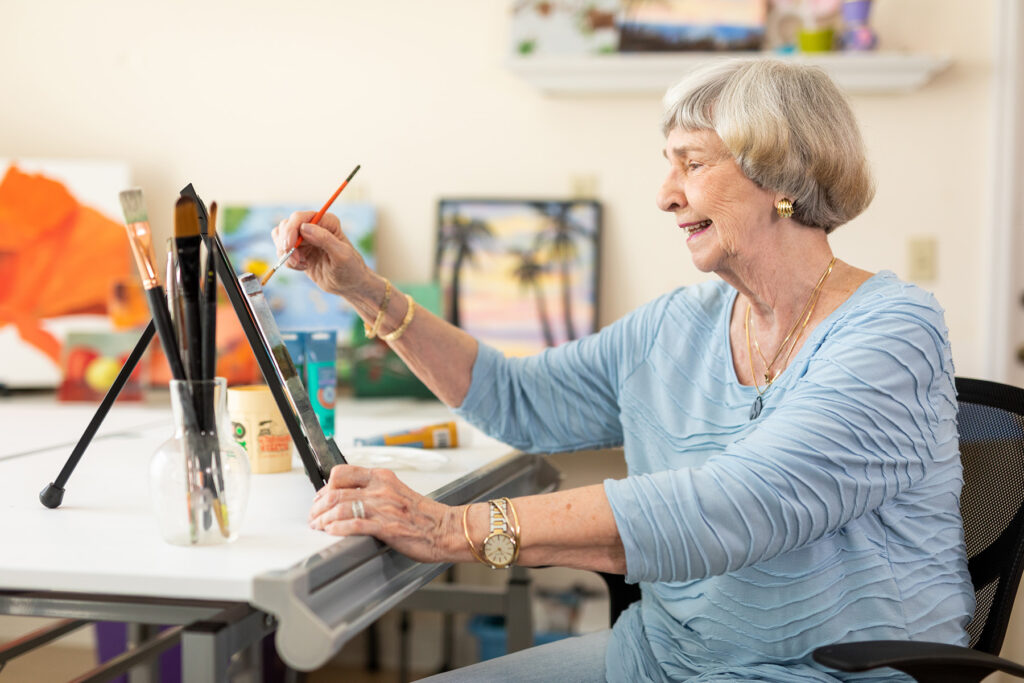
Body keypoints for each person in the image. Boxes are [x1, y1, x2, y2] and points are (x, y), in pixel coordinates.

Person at [272, 58, 973, 682]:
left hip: (826, 672)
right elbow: (518, 399)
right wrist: (363, 290)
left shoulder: (893, 332)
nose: (665, 193)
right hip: (663, 660)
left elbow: (736, 506)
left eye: (692, 164)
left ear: (778, 177)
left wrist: (450, 527)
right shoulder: (680, 326)